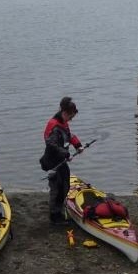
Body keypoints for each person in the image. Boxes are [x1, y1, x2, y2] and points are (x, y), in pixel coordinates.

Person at [43, 96, 84, 225]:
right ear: (65, 113)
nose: (71, 119)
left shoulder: (63, 123)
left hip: (62, 160)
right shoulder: (54, 125)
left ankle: (59, 211)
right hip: (54, 161)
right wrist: (66, 154)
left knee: (65, 186)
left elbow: (68, 136)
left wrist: (77, 145)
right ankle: (54, 217)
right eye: (71, 116)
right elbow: (52, 145)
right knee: (58, 188)